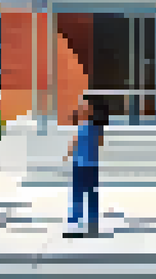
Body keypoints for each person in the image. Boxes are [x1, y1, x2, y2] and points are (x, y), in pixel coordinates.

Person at [64, 96, 106, 237]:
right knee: (85, 194)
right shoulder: (92, 127)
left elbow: (76, 143)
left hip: (85, 164)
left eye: (85, 107)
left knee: (82, 194)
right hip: (85, 163)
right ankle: (83, 222)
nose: (82, 109)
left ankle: (81, 222)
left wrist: (69, 153)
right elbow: (99, 143)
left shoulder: (90, 127)